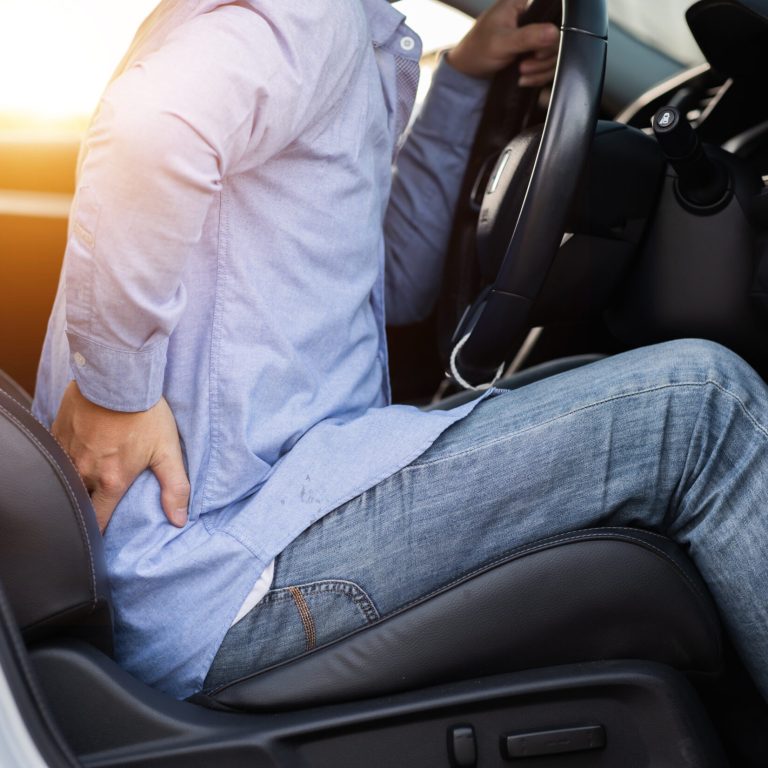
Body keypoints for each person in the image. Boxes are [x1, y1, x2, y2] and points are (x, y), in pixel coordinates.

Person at [32, 0, 768, 706]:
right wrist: (114, 391)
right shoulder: (304, 14)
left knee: (602, 388)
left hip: (242, 534)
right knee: (706, 410)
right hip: (224, 571)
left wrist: (465, 80)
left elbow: (395, 280)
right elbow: (148, 132)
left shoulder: (341, 29)